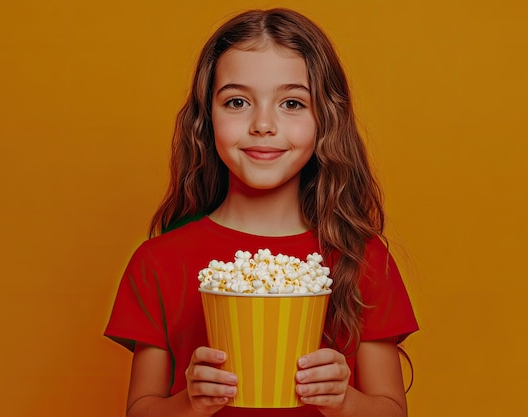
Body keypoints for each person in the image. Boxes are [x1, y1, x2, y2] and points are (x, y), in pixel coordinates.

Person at [105, 8, 418, 417]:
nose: (263, 124)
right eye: (237, 102)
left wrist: (344, 400)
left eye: (291, 102)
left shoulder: (363, 259)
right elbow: (140, 411)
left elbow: (391, 411)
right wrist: (190, 401)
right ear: (206, 119)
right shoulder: (159, 263)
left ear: (326, 119)